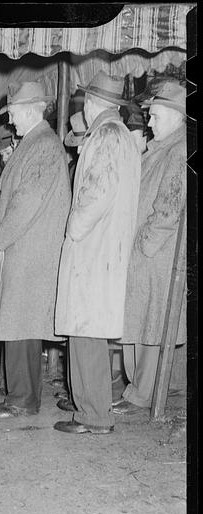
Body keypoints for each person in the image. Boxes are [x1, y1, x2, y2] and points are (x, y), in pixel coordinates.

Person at [52, 72, 141, 435]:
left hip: (93, 248)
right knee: (86, 331)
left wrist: (73, 228)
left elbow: (95, 194)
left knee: (85, 331)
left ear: (91, 104)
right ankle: (90, 406)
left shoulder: (105, 136)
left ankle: (93, 415)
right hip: (106, 247)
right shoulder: (120, 135)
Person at [0, 82, 72, 420]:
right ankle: (18, 395)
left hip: (30, 250)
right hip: (23, 247)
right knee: (17, 325)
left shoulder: (43, 145)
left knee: (22, 325)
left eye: (15, 113)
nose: (11, 121)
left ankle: (24, 399)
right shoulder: (35, 143)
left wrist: (1, 236)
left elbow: (27, 202)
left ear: (33, 109)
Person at [116, 80, 187, 415]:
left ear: (176, 115)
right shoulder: (160, 150)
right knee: (140, 321)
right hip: (143, 252)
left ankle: (141, 393)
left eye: (156, 116)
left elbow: (169, 210)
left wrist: (142, 245)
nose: (150, 123)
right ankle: (137, 387)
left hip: (155, 255)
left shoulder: (178, 152)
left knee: (151, 324)